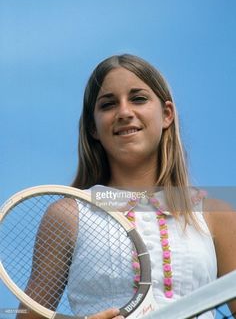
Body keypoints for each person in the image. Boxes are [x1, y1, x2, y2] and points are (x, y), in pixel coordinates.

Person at [19, 54, 236, 319]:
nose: (124, 112)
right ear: (93, 128)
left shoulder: (217, 214)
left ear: (167, 114)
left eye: (138, 99)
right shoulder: (68, 214)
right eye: (108, 104)